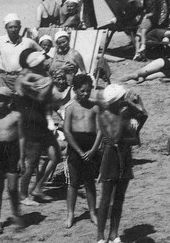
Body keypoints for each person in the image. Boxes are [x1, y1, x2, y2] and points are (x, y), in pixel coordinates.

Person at [95, 84, 147, 243]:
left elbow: (143, 117)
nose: (125, 100)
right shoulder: (104, 115)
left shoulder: (125, 112)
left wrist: (138, 104)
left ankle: (113, 233)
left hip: (124, 156)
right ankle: (100, 236)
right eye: (123, 99)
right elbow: (114, 138)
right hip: (111, 157)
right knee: (105, 199)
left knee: (119, 197)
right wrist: (124, 117)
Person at [17, 50, 59, 205]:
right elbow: (41, 97)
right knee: (32, 161)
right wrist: (50, 83)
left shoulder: (41, 76)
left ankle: (37, 188)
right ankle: (23, 196)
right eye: (42, 62)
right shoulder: (24, 79)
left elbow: (48, 101)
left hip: (41, 122)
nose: (45, 63)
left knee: (55, 156)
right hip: (31, 124)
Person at [0, 88, 25, 235]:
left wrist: (22, 158)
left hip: (12, 150)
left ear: (9, 101)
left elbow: (21, 137)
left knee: (13, 187)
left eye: (2, 100)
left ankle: (16, 214)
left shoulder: (16, 116)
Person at [62, 74, 99, 230]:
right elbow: (67, 131)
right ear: (75, 90)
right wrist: (77, 150)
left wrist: (93, 150)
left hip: (90, 147)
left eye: (88, 91)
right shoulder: (70, 108)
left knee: (90, 182)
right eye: (82, 91)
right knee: (74, 183)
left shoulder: (95, 107)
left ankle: (92, 212)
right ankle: (70, 214)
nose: (85, 94)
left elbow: (100, 131)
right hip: (75, 147)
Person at [0, 15, 38, 96]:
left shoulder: (28, 42)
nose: (13, 30)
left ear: (20, 27)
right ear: (6, 28)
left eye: (16, 27)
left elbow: (41, 54)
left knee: (20, 105)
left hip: (22, 79)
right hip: (4, 79)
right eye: (10, 27)